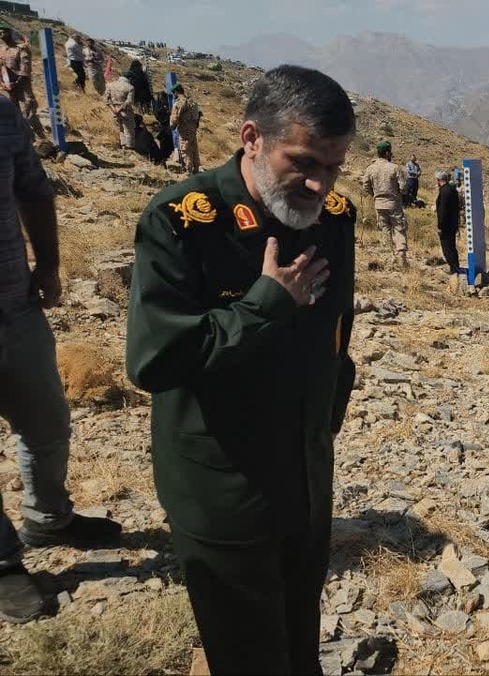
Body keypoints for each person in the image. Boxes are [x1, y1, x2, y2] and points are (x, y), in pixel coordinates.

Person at [125, 64, 358, 674]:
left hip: (305, 475)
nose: (318, 184)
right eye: (302, 163)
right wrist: (265, 304)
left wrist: (326, 414)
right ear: (251, 138)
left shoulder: (333, 218)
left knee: (297, 637)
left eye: (333, 167)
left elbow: (335, 337)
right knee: (247, 652)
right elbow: (154, 360)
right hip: (224, 487)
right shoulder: (184, 221)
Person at [0, 96, 123, 624]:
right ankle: (4, 564)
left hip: (14, 306)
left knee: (48, 423)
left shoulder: (2, 114)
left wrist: (48, 263)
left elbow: (32, 188)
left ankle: (48, 517)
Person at [361, 140, 409, 266]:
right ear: (388, 152)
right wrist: (400, 193)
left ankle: (389, 257)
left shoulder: (371, 168)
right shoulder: (394, 167)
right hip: (393, 202)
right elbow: (403, 187)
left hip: (379, 203)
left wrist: (375, 195)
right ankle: (401, 256)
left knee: (384, 230)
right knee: (399, 228)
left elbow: (365, 186)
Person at [0, 25, 44, 138]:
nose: (1, 34)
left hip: (22, 87)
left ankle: (40, 140)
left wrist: (17, 83)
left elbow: (26, 67)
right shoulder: (2, 50)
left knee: (28, 113)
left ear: (10, 33)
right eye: (0, 33)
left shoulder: (21, 48)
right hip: (8, 88)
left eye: (4, 32)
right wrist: (3, 84)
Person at [169, 83, 202, 175]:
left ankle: (188, 170)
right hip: (193, 128)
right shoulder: (191, 101)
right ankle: (196, 168)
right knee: (194, 147)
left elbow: (174, 118)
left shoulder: (179, 102)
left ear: (176, 92)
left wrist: (172, 126)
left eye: (174, 93)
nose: (174, 95)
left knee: (185, 149)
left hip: (184, 129)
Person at [435, 169, 460, 275]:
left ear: (438, 180)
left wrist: (440, 226)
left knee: (447, 247)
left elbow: (442, 210)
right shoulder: (452, 190)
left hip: (446, 225)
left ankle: (453, 269)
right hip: (453, 223)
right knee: (452, 246)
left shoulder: (444, 192)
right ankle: (456, 267)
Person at [103, 69, 136, 149]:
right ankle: (129, 148)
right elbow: (129, 102)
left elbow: (106, 99)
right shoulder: (130, 87)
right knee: (129, 130)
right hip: (125, 111)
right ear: (130, 78)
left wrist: (113, 108)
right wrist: (120, 108)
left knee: (120, 128)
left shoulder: (110, 85)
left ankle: (123, 145)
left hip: (114, 111)